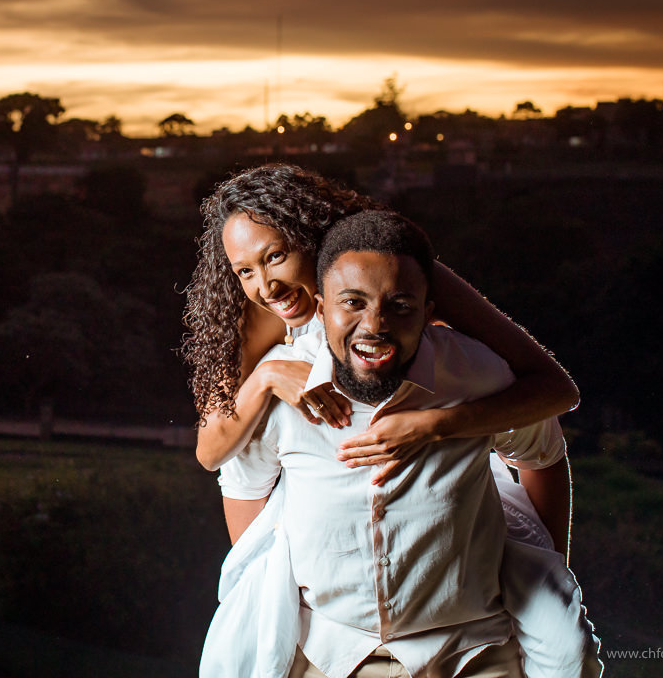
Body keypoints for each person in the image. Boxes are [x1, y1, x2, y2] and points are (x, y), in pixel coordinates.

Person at [202, 210, 600, 678]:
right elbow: (232, 471)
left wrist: (545, 575)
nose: (375, 324)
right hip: (332, 652)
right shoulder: (277, 380)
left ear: (429, 310)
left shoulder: (477, 374)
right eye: (351, 302)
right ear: (323, 302)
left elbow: (545, 445)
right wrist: (269, 590)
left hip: (472, 648)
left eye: (400, 306)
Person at [182, 164, 575, 552]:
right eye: (245, 271)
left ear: (310, 235)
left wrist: (434, 425)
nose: (267, 287)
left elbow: (555, 391)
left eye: (275, 256)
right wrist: (267, 375)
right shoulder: (257, 315)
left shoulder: (395, 275)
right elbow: (212, 452)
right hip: (321, 517)